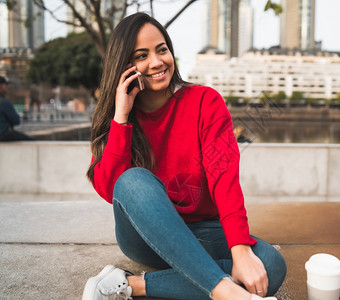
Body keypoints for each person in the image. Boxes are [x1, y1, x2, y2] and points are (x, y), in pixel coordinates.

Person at [83, 13, 286, 300]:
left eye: (162, 49)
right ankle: (225, 291)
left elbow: (224, 179)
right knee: (133, 180)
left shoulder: (205, 102)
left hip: (200, 230)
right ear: (124, 66)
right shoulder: (118, 118)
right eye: (142, 55)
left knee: (271, 266)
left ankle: (129, 285)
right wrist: (121, 118)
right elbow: (110, 189)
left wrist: (240, 250)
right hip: (144, 236)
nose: (157, 62)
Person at [0, 76, 33, 141]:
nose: (7, 86)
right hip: (4, 135)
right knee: (32, 142)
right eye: (5, 84)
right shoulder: (4, 102)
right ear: (1, 86)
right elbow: (16, 120)